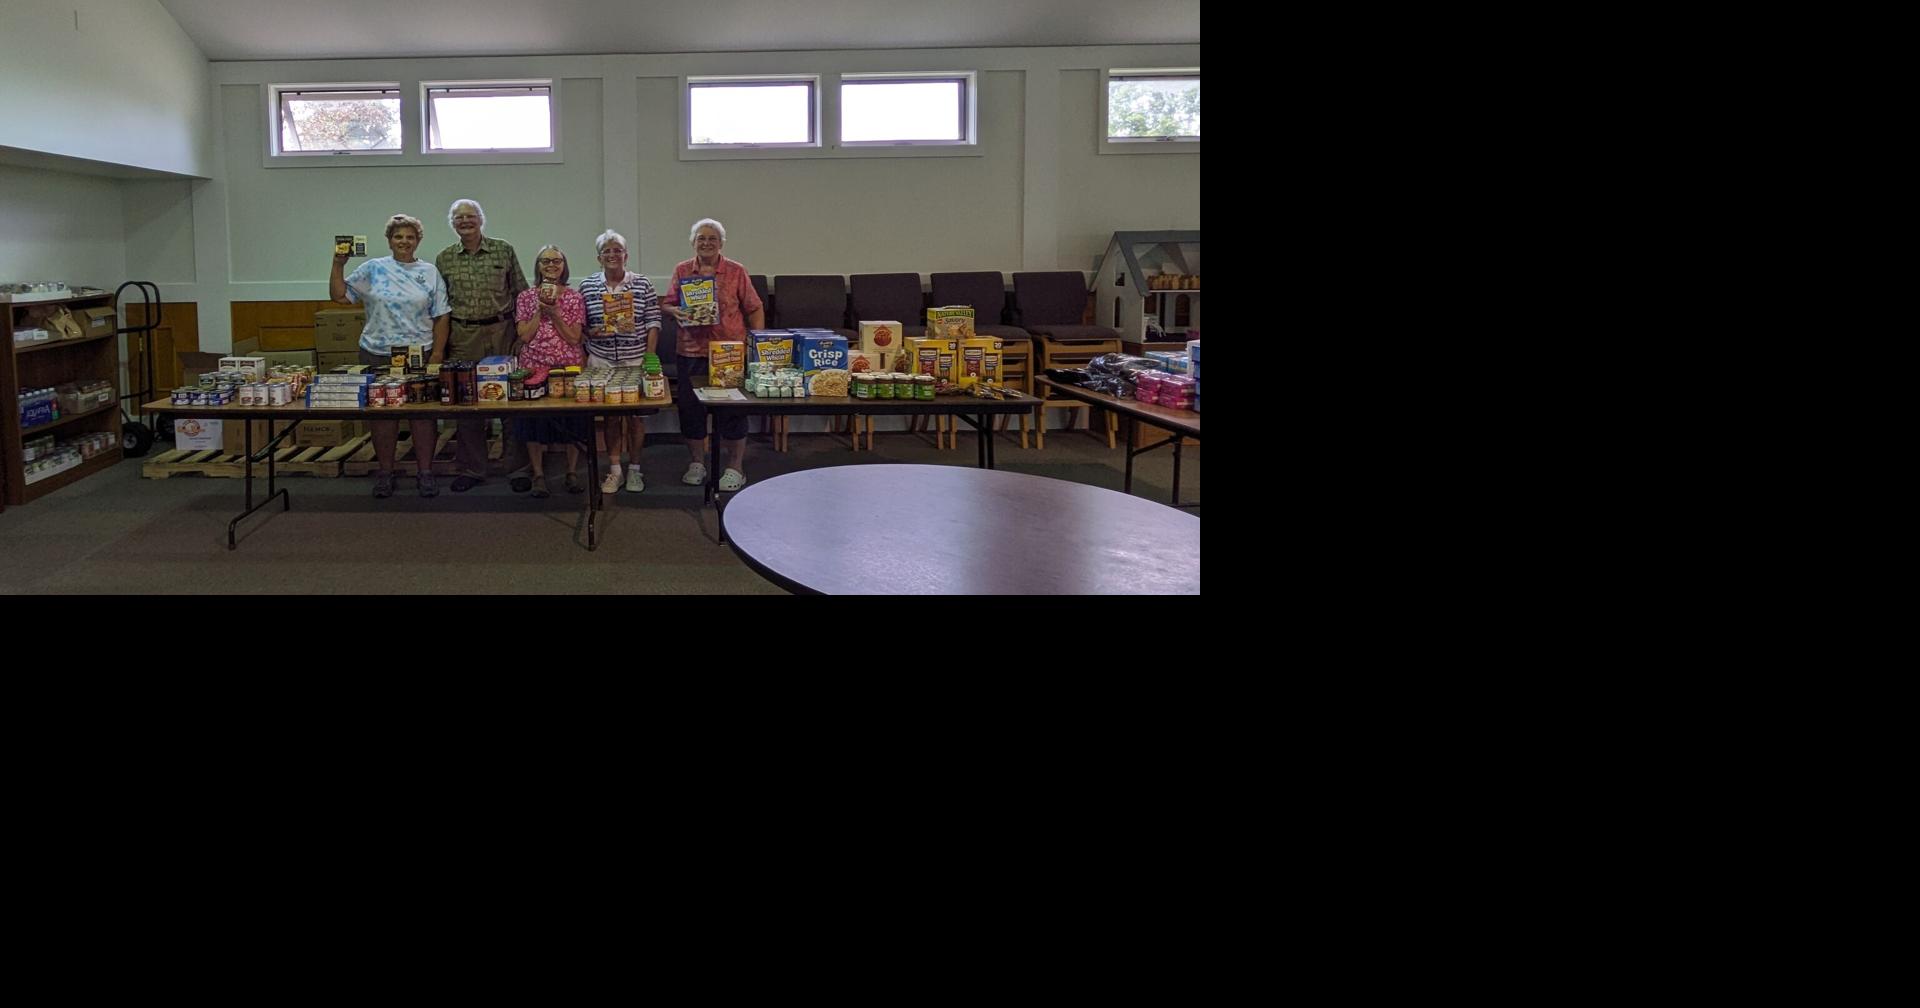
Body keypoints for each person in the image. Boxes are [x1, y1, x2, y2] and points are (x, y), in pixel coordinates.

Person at [328, 213, 449, 499]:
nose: (404, 241)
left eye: (410, 237)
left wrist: (438, 354)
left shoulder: (430, 272)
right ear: (389, 240)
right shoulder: (372, 268)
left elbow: (442, 316)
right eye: (398, 236)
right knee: (382, 417)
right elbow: (339, 295)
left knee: (422, 416)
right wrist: (338, 264)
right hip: (377, 352)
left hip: (420, 353)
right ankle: (385, 472)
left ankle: (426, 473)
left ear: (418, 241)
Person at [661, 217, 763, 491]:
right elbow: (668, 305)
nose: (706, 243)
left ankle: (735, 467)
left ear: (721, 244)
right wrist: (675, 311)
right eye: (701, 239)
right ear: (693, 242)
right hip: (691, 351)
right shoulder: (682, 270)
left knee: (732, 412)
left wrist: (757, 343)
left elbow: (754, 307)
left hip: (728, 353)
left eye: (712, 239)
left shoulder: (736, 271)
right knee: (691, 411)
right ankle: (697, 462)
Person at [434, 198, 528, 492]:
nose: (465, 221)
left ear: (481, 220)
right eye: (459, 217)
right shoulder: (444, 258)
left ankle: (518, 468)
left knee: (511, 400)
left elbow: (522, 293)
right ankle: (473, 469)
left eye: (470, 216)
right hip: (464, 336)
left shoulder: (503, 249)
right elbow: (442, 305)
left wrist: (522, 338)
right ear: (452, 223)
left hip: (503, 331)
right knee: (468, 402)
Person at [578, 229, 662, 494]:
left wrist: (649, 356)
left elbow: (653, 322)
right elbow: (580, 325)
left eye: (617, 250)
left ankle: (635, 470)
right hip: (601, 359)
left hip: (635, 358)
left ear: (626, 255)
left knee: (637, 419)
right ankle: (615, 470)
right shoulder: (587, 285)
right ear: (598, 257)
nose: (612, 255)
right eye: (606, 251)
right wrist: (591, 332)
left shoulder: (642, 284)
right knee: (611, 418)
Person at [511, 245, 588, 497]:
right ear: (538, 266)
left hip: (567, 366)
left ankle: (572, 472)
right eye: (545, 261)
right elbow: (524, 335)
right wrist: (538, 311)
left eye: (556, 261)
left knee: (572, 421)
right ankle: (539, 475)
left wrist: (554, 313)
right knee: (533, 423)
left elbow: (574, 338)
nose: (551, 265)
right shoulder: (525, 297)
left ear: (564, 266)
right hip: (533, 366)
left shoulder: (574, 297)